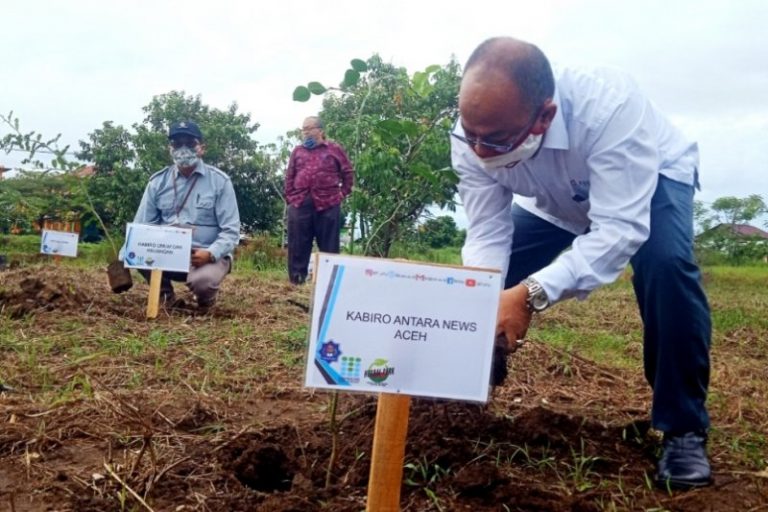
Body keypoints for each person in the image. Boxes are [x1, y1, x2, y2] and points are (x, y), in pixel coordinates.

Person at [451, 37, 712, 490]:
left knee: (666, 267)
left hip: (648, 184)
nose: (480, 152)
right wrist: (488, 299)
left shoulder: (608, 109)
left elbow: (617, 230)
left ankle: (683, 428)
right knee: (476, 288)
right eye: (471, 136)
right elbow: (488, 232)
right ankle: (461, 391)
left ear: (545, 116)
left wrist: (529, 295)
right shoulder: (474, 134)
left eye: (494, 141)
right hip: (555, 201)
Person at [129, 121, 241, 310]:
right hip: (167, 252)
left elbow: (231, 232)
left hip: (204, 254)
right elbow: (142, 227)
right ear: (170, 149)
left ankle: (205, 300)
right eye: (177, 143)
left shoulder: (220, 182)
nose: (183, 149)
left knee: (203, 283)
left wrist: (211, 253)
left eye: (189, 143)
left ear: (201, 148)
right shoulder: (157, 183)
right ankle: (167, 298)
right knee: (139, 253)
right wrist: (125, 256)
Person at [284, 116, 354, 284]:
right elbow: (289, 176)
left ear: (320, 130)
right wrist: (291, 198)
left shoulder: (335, 149)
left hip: (328, 204)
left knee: (329, 247)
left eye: (309, 128)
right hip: (300, 203)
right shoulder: (298, 151)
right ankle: (297, 281)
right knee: (298, 245)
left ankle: (328, 283)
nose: (306, 132)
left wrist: (341, 194)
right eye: (304, 129)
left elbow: (348, 174)